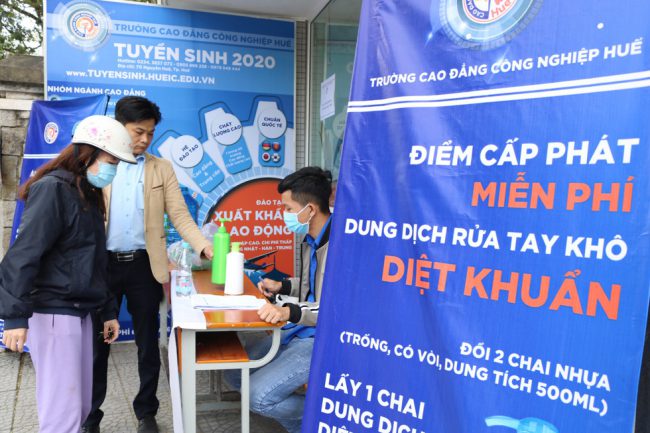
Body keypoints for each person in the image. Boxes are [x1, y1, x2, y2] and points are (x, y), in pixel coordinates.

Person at [83, 97, 212, 433]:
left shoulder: (161, 168)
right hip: (103, 267)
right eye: (138, 131)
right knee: (97, 346)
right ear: (119, 127)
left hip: (145, 266)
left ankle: (147, 413)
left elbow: (180, 215)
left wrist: (203, 245)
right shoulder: (99, 164)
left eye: (150, 133)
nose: (144, 139)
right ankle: (90, 417)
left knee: (147, 344)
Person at [0, 115, 137, 433]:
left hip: (80, 311)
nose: (113, 170)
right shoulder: (53, 189)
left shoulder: (86, 192)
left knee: (80, 406)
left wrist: (108, 311)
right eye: (111, 162)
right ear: (87, 153)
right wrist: (15, 318)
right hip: (53, 312)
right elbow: (23, 255)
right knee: (62, 414)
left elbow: (94, 260)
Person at [227, 166, 333, 433]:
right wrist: (282, 285)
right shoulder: (310, 240)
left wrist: (288, 312)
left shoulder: (341, 247)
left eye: (288, 208)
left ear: (310, 209)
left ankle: (330, 415)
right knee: (234, 371)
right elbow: (312, 288)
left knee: (257, 397)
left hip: (323, 339)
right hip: (298, 329)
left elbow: (335, 309)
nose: (284, 214)